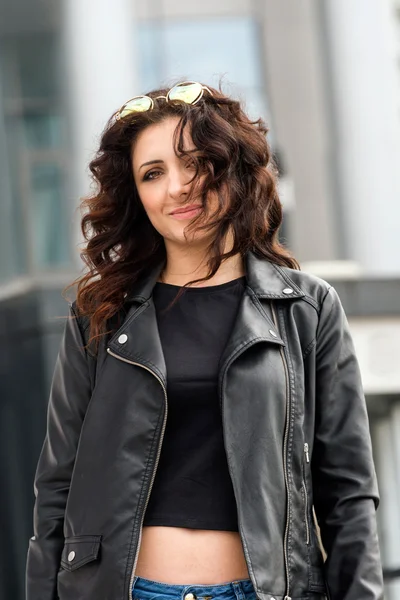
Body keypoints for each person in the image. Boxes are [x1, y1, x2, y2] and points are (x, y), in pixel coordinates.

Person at [26, 80, 384, 600]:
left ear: (231, 166)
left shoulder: (307, 309)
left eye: (193, 163)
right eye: (153, 174)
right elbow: (56, 486)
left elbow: (349, 494)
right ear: (137, 195)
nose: (177, 187)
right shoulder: (100, 316)